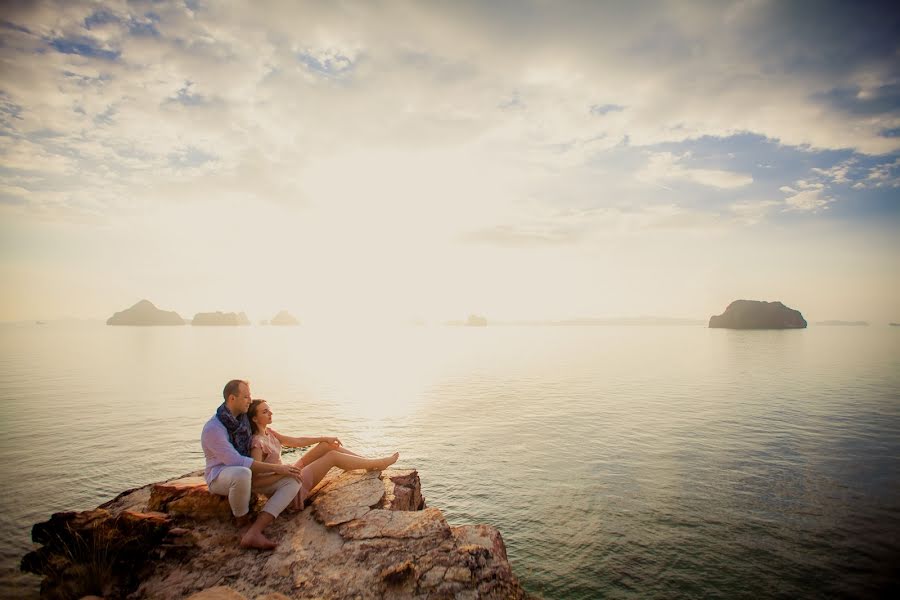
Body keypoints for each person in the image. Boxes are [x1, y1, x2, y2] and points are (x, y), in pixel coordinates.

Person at [201, 379, 305, 550]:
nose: (250, 400)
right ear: (232, 398)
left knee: (294, 480)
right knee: (242, 473)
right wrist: (277, 468)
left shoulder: (242, 420)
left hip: (248, 477)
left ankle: (258, 527)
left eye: (250, 396)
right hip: (220, 476)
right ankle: (242, 523)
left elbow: (268, 438)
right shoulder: (214, 428)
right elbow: (236, 461)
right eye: (246, 397)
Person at [246, 398, 399, 510]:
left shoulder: (269, 432)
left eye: (269, 410)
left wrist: (323, 438)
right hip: (287, 489)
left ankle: (368, 463)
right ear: (254, 418)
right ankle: (377, 464)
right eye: (265, 412)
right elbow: (255, 480)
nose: (270, 413)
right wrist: (283, 473)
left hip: (289, 472)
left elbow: (297, 442)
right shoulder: (257, 443)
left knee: (327, 446)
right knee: (332, 456)